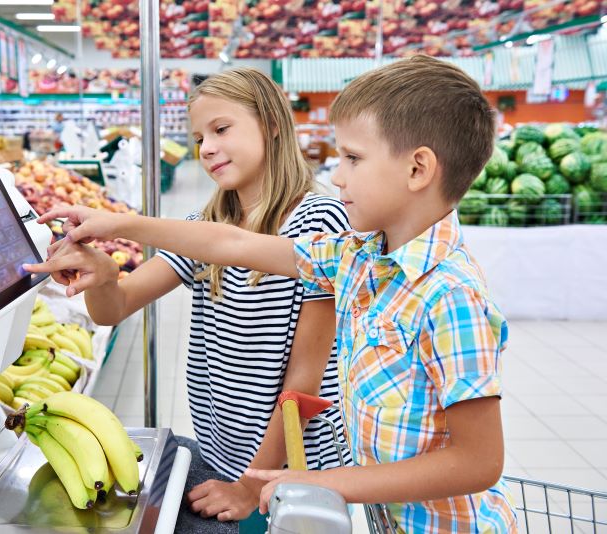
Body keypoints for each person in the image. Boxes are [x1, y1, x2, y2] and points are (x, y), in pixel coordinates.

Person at [26, 55, 518, 532]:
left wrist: (305, 482)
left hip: (327, 479)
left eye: (352, 158)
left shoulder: (434, 287)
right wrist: (112, 249)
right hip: (293, 476)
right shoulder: (359, 257)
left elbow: (476, 459)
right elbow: (228, 243)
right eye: (199, 137)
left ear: (417, 169)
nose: (339, 174)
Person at [31, 67, 352, 530]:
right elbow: (115, 308)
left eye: (221, 129)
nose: (207, 149)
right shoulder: (203, 224)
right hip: (222, 455)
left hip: (290, 473)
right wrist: (103, 276)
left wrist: (251, 485)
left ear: (273, 123)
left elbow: (306, 380)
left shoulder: (319, 221)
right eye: (199, 137)